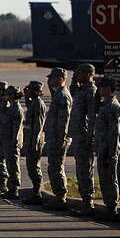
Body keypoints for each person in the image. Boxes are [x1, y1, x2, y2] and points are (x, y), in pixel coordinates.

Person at [69, 63, 97, 216]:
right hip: (79, 136)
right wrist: (74, 78)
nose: (76, 76)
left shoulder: (91, 92)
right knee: (81, 169)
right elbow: (73, 90)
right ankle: (84, 201)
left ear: (87, 74)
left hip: (85, 137)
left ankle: (88, 201)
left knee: (86, 169)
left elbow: (92, 117)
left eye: (79, 74)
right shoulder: (81, 90)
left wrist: (90, 136)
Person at [93, 78, 120, 221]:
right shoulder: (104, 104)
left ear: (109, 88)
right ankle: (108, 207)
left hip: (108, 150)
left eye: (102, 87)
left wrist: (110, 152)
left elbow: (114, 132)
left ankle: (112, 208)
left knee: (110, 179)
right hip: (102, 148)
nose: (99, 90)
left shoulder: (113, 106)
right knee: (104, 179)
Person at [43, 68, 73, 210]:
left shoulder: (63, 96)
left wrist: (61, 137)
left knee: (57, 167)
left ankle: (61, 197)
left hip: (58, 138)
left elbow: (64, 119)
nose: (50, 80)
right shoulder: (58, 94)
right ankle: (58, 196)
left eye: (53, 78)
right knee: (53, 167)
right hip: (53, 137)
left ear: (61, 78)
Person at [22, 80, 47, 205]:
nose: (28, 90)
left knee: (34, 166)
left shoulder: (39, 104)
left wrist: (35, 140)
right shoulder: (34, 103)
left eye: (30, 89)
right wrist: (26, 96)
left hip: (35, 139)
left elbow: (39, 123)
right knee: (30, 166)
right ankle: (35, 191)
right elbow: (30, 109)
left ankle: (37, 193)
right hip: (31, 138)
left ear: (36, 91)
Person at [0, 85, 24, 199]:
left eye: (7, 94)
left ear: (13, 95)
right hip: (7, 140)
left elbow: (17, 127)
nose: (5, 96)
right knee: (10, 165)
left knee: (13, 166)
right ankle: (11, 188)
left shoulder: (17, 109)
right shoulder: (10, 107)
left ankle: (14, 189)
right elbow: (1, 112)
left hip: (12, 141)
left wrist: (14, 141)